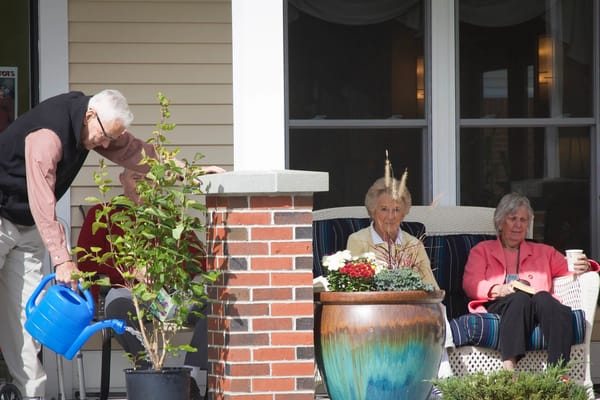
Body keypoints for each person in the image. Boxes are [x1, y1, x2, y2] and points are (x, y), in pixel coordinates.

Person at [0, 89, 223, 399]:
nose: (105, 147)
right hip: (7, 217)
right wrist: (64, 260)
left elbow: (135, 151)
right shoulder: (48, 136)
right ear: (91, 116)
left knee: (28, 321)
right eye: (104, 137)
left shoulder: (94, 127)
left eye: (109, 140)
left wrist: (188, 172)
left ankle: (30, 396)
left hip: (28, 226)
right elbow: (42, 201)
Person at [77, 168, 209, 399]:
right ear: (122, 179)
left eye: (148, 179)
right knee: (117, 309)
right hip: (126, 293)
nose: (142, 184)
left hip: (163, 298)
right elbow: (87, 264)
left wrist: (167, 271)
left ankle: (191, 380)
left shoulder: (166, 215)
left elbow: (198, 258)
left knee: (213, 306)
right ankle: (150, 371)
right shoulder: (102, 214)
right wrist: (129, 272)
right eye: (136, 178)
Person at [463, 192, 599, 372]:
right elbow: (471, 283)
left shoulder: (544, 251)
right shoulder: (482, 250)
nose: (518, 225)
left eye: (523, 220)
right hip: (500, 303)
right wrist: (500, 289)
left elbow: (570, 267)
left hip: (537, 305)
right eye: (513, 219)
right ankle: (509, 369)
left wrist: (586, 265)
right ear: (500, 222)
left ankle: (558, 373)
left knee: (546, 299)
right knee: (519, 298)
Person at [345, 176, 453, 398]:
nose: (390, 216)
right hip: (375, 310)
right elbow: (356, 285)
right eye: (384, 209)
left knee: (437, 310)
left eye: (396, 209)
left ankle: (440, 383)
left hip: (414, 307)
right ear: (373, 211)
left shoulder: (413, 243)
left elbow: (432, 287)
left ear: (404, 213)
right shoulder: (357, 240)